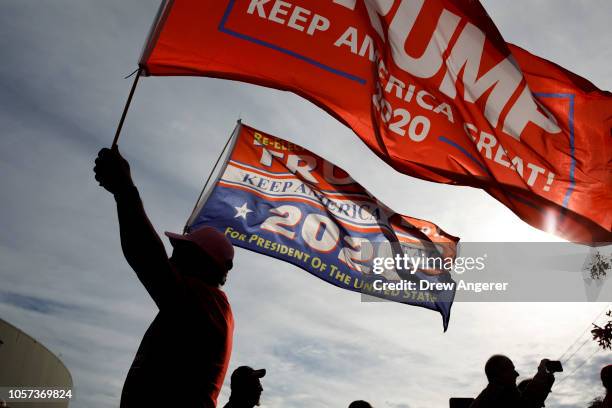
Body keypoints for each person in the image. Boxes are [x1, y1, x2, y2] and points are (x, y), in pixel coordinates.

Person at [94, 147, 235, 408]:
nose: (171, 258)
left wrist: (124, 189)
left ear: (202, 262)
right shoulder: (203, 304)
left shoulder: (207, 306)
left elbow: (148, 259)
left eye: (179, 251)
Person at [469, 355, 555, 408]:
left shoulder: (491, 396)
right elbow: (526, 405)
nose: (516, 374)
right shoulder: (495, 398)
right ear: (500, 374)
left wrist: (545, 377)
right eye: (511, 370)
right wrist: (541, 374)